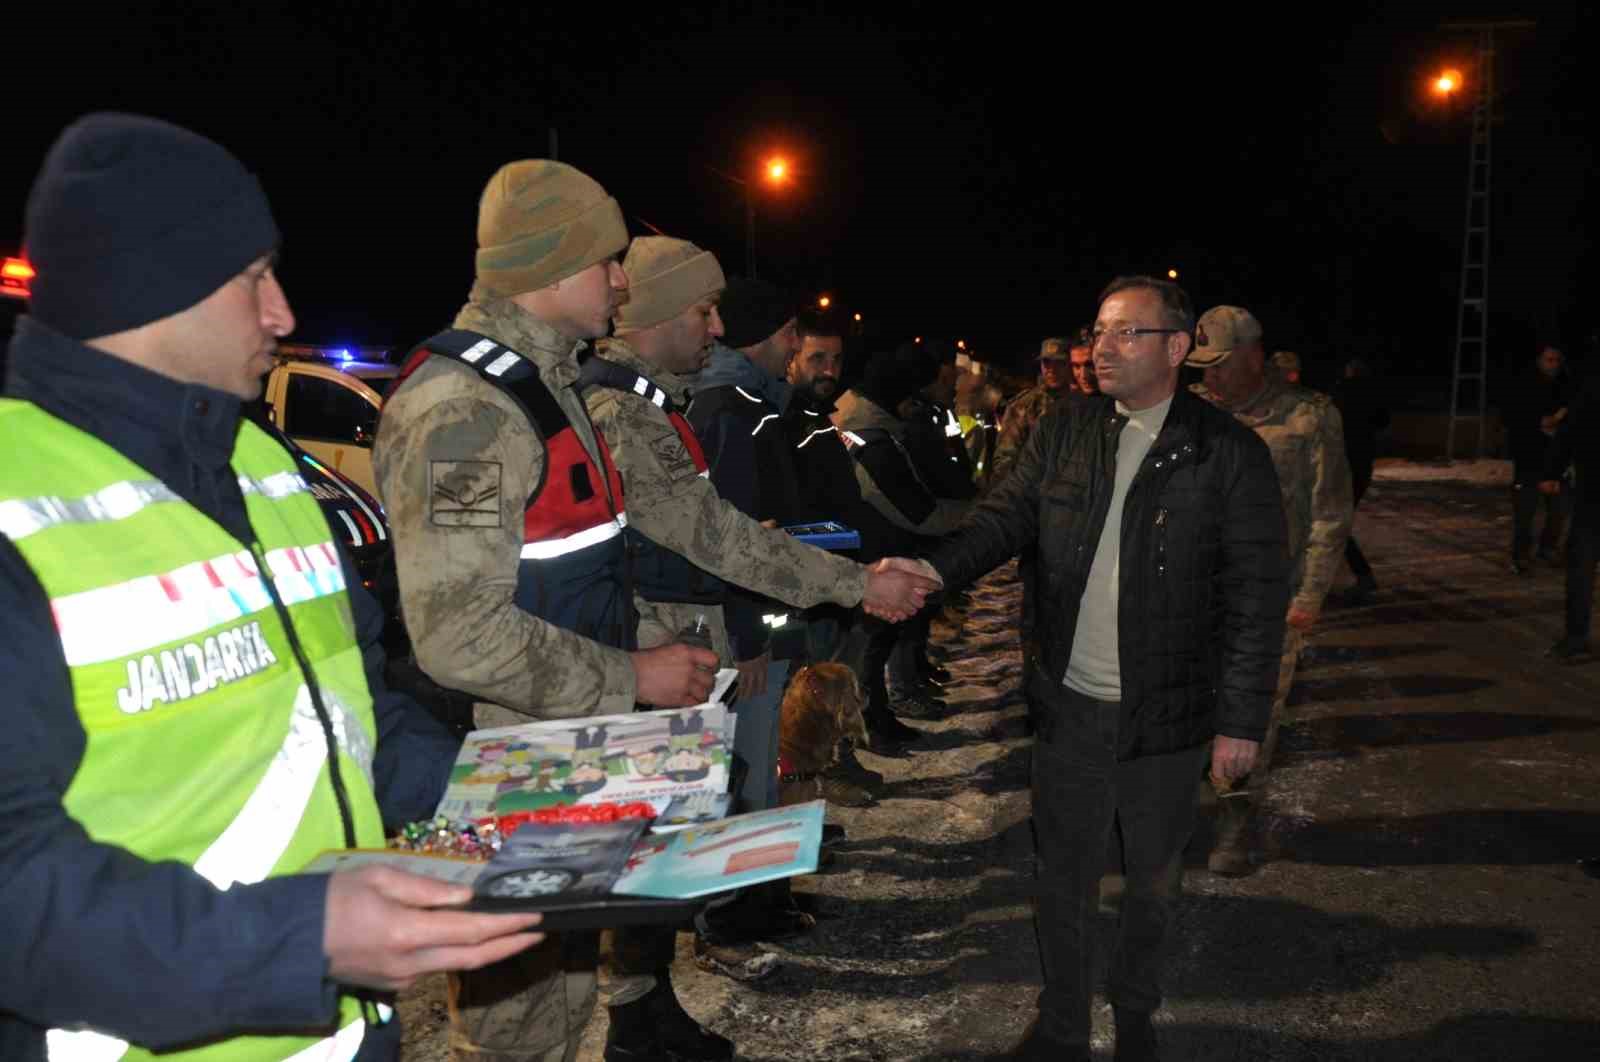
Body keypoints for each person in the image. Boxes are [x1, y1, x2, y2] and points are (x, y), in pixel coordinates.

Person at [0, 112, 545, 1062]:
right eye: (253, 278)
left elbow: (349, 717)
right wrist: (312, 937)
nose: (283, 313)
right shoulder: (19, 499)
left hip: (338, 1030)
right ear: (152, 285)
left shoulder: (257, 464)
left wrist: (511, 798)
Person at [375, 160, 723, 1062]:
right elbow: (458, 634)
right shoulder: (467, 409)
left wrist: (645, 645)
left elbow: (560, 574)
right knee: (509, 1030)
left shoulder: (545, 384)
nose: (621, 280)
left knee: (562, 1008)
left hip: (564, 753)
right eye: (608, 261)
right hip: (497, 763)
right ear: (554, 266)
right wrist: (632, 673)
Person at [899, 276, 1289, 1060]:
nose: (1100, 348)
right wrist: (932, 574)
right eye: (1099, 332)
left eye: (1125, 334)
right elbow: (1004, 518)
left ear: (1176, 349)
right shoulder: (1066, 431)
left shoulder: (1227, 453)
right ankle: (1063, 1025)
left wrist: (1240, 722)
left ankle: (1136, 1015)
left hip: (1170, 716)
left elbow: (1256, 597)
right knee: (1062, 880)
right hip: (1069, 704)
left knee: (1151, 886)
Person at [1189, 305, 1353, 876]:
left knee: (1253, 715)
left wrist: (1308, 597)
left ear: (1254, 357)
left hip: (1270, 601)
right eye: (1201, 366)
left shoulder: (1309, 418)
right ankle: (1182, 811)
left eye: (1220, 365)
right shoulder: (1191, 413)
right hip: (1192, 596)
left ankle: (1233, 822)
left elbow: (1330, 514)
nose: (1209, 377)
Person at [989, 329, 1092, 487]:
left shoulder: (1085, 403)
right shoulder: (1024, 406)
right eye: (1046, 363)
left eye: (1059, 363)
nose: (1051, 369)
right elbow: (1004, 461)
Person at [1505, 345, 1573, 574]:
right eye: (1548, 360)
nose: (1553, 365)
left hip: (1556, 461)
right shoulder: (1524, 386)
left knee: (1559, 509)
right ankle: (1521, 555)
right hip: (1529, 459)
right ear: (1539, 361)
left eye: (1556, 360)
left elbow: (1568, 420)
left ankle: (1548, 548)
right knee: (1526, 511)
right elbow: (1518, 419)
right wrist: (1545, 422)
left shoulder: (1564, 387)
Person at [1548, 368, 1600, 661]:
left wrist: (1552, 470)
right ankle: (1576, 638)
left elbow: (1568, 432)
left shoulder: (1591, 389)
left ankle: (1576, 638)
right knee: (1581, 566)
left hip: (1592, 496)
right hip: (1592, 495)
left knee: (1581, 568)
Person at [1332, 357, 1389, 601]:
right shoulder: (1372, 394)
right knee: (1335, 524)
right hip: (1362, 464)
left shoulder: (1341, 393)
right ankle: (1361, 576)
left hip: (1343, 465)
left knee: (1333, 524)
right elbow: (1383, 421)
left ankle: (1363, 576)